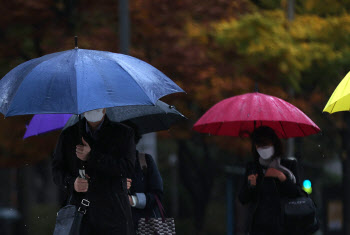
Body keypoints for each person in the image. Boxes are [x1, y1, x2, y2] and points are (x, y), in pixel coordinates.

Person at [52, 108, 136, 235]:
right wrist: (72, 182)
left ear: (105, 107)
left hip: (114, 212)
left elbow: (127, 167)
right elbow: (57, 170)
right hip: (82, 213)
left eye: (97, 107)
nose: (93, 110)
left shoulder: (123, 133)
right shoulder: (69, 135)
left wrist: (92, 156)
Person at [239, 126, 301, 235]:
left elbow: (297, 194)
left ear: (274, 144)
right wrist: (250, 186)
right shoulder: (253, 168)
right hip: (258, 228)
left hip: (283, 226)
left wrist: (281, 177)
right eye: (259, 145)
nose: (263, 148)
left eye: (266, 144)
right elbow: (243, 199)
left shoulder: (288, 166)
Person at [123, 123, 164, 231]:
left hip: (144, 226)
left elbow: (157, 195)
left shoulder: (145, 161)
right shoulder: (107, 164)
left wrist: (133, 200)